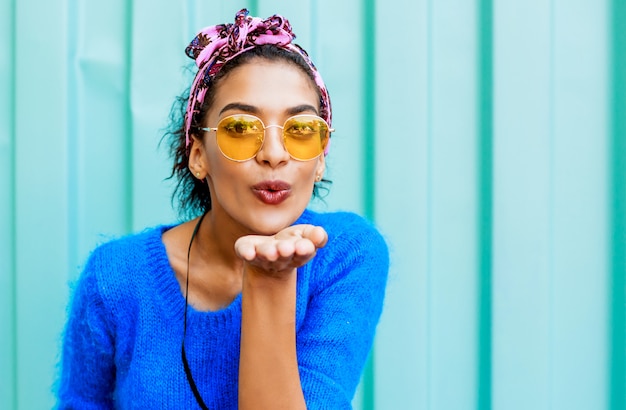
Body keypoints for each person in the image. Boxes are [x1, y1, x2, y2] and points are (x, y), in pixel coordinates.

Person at [57, 9, 388, 409]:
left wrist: (272, 279)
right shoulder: (115, 278)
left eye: (301, 131)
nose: (273, 154)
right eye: (240, 129)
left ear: (320, 160)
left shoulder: (346, 255)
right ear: (198, 155)